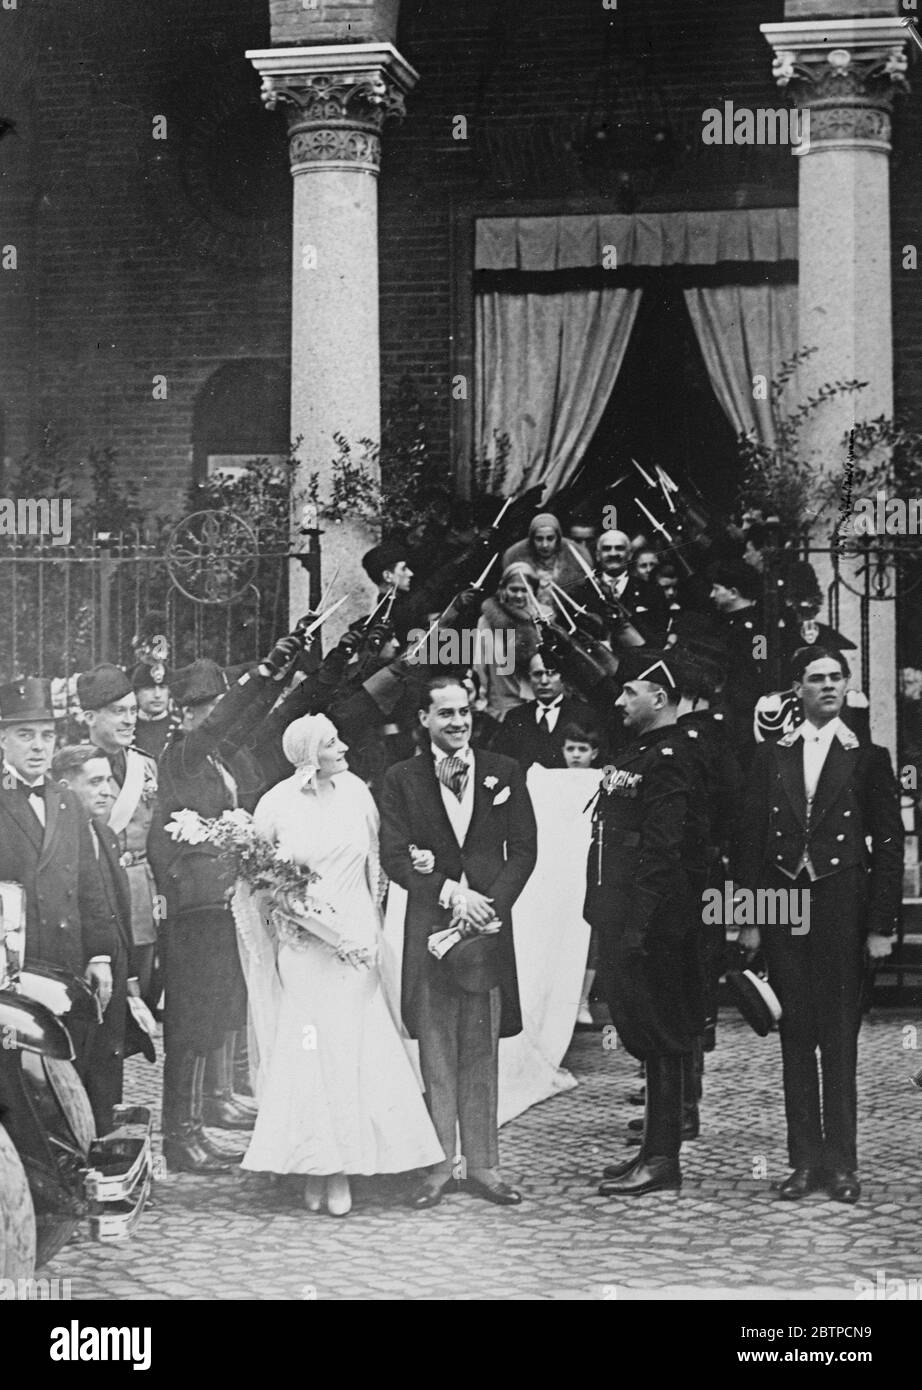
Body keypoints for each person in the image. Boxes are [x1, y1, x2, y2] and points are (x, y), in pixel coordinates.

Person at [240, 713, 444, 1215]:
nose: (344, 747)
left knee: (355, 1047)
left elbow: (376, 860)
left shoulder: (356, 792)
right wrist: (301, 922)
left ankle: (351, 1163)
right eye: (333, 743)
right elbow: (261, 884)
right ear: (310, 755)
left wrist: (368, 927)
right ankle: (319, 1165)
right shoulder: (275, 804)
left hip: (357, 943)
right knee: (313, 1050)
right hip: (305, 948)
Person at [734, 647, 903, 1204]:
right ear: (797, 689)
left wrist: (882, 924)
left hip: (843, 908)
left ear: (848, 686)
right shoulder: (770, 757)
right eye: (815, 679)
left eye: (835, 678)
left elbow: (890, 847)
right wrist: (749, 921)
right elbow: (748, 845)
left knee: (840, 1040)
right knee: (795, 1036)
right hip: (784, 908)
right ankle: (803, 1163)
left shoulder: (869, 757)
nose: (827, 686)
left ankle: (843, 1165)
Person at [147, 638, 305, 1173]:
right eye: (207, 706)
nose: (217, 714)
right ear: (186, 713)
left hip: (214, 903)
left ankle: (194, 1126)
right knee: (190, 1018)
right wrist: (262, 670)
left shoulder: (209, 755)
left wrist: (278, 674)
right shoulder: (183, 752)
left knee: (209, 1011)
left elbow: (252, 714)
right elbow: (233, 716)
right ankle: (179, 1136)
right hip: (193, 906)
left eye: (219, 703)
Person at [379, 674, 538, 1208]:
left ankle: (486, 1166)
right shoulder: (400, 779)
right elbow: (395, 857)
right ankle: (439, 1165)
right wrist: (450, 894)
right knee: (437, 1049)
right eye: (445, 713)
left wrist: (490, 905)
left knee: (480, 1048)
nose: (458, 722)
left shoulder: (504, 772)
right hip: (431, 932)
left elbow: (524, 851)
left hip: (488, 932)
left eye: (464, 711)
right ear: (423, 719)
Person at [584, 649, 704, 1197]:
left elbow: (663, 848)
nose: (619, 700)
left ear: (658, 696)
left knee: (660, 1036)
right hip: (622, 914)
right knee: (644, 1031)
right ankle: (651, 1152)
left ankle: (662, 1159)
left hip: (651, 923)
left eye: (628, 691)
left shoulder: (673, 755)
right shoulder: (643, 749)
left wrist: (638, 924)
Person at [0, 678, 116, 1096]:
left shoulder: (66, 802)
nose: (37, 746)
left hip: (65, 962)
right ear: (3, 738)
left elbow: (90, 887)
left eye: (46, 736)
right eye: (25, 735)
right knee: (19, 1076)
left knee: (66, 1071)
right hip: (16, 966)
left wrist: (100, 955)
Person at [51, 744, 156, 1134]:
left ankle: (107, 1156)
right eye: (94, 782)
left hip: (112, 977)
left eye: (109, 780)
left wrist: (129, 984)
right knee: (76, 1074)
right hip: (78, 976)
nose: (107, 790)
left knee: (107, 1073)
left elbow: (117, 915)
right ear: (64, 786)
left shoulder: (107, 835)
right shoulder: (56, 840)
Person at [78, 663, 159, 1009]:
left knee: (138, 1007)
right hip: (96, 902)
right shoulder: (72, 769)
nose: (129, 720)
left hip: (140, 900)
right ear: (90, 717)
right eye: (117, 712)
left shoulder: (146, 766)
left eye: (132, 711)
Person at [494, 652, 594, 771]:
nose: (544, 681)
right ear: (529, 678)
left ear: (563, 677)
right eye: (537, 674)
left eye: (551, 673)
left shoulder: (584, 715)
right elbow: (501, 762)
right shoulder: (515, 717)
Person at [574, 529, 669, 647]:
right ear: (598, 556)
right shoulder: (581, 594)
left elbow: (660, 635)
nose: (613, 554)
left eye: (619, 548)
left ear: (629, 555)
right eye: (607, 549)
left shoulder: (651, 590)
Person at [475, 562, 543, 721]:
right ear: (504, 590)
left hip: (536, 702)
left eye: (524, 590)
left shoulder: (543, 618)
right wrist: (481, 698)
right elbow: (480, 664)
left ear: (533, 591)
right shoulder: (486, 621)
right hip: (501, 704)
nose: (519, 595)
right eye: (514, 589)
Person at [502, 512, 590, 605]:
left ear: (558, 538)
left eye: (550, 538)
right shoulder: (515, 556)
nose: (545, 545)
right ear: (532, 539)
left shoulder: (575, 556)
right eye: (539, 539)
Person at [130, 660, 178, 762]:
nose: (157, 695)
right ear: (136, 693)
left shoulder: (180, 729)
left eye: (162, 688)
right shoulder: (126, 729)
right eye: (149, 688)